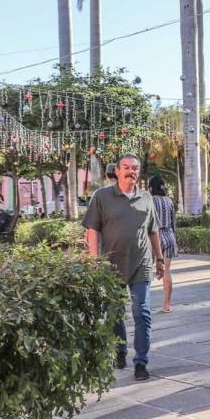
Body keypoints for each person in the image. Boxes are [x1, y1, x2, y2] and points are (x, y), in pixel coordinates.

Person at [82, 153, 165, 382]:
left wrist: (159, 259)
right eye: (126, 167)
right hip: (111, 266)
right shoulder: (101, 197)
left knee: (143, 314)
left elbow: (153, 231)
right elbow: (92, 230)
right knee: (114, 314)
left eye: (135, 168)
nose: (131, 171)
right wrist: (94, 260)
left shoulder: (146, 198)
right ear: (117, 171)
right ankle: (119, 351)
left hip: (141, 264)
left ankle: (141, 362)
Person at [149, 175, 178, 313]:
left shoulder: (150, 201)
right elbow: (173, 222)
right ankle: (167, 305)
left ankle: (144, 305)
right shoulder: (169, 201)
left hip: (155, 237)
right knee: (167, 271)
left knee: (146, 271)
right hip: (169, 236)